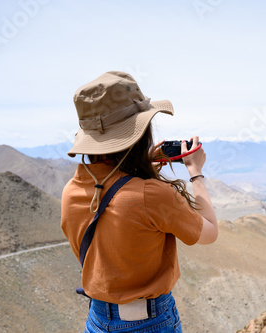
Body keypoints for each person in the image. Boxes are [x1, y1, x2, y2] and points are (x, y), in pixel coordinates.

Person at [61, 71, 218, 333]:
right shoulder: (152, 195)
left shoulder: (71, 191)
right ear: (140, 132)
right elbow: (209, 232)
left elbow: (118, 193)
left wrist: (141, 161)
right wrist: (196, 172)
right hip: (150, 322)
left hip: (97, 320)